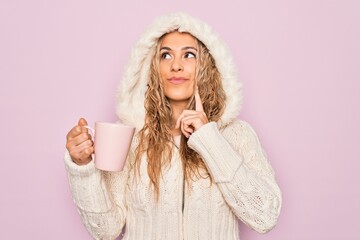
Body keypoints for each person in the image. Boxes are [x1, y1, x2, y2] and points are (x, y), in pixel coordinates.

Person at [65, 12, 282, 240]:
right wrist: (82, 168)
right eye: (166, 56)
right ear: (152, 68)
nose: (176, 65)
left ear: (207, 66)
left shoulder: (236, 135)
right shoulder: (132, 137)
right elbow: (105, 230)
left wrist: (210, 139)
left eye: (189, 55)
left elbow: (265, 216)